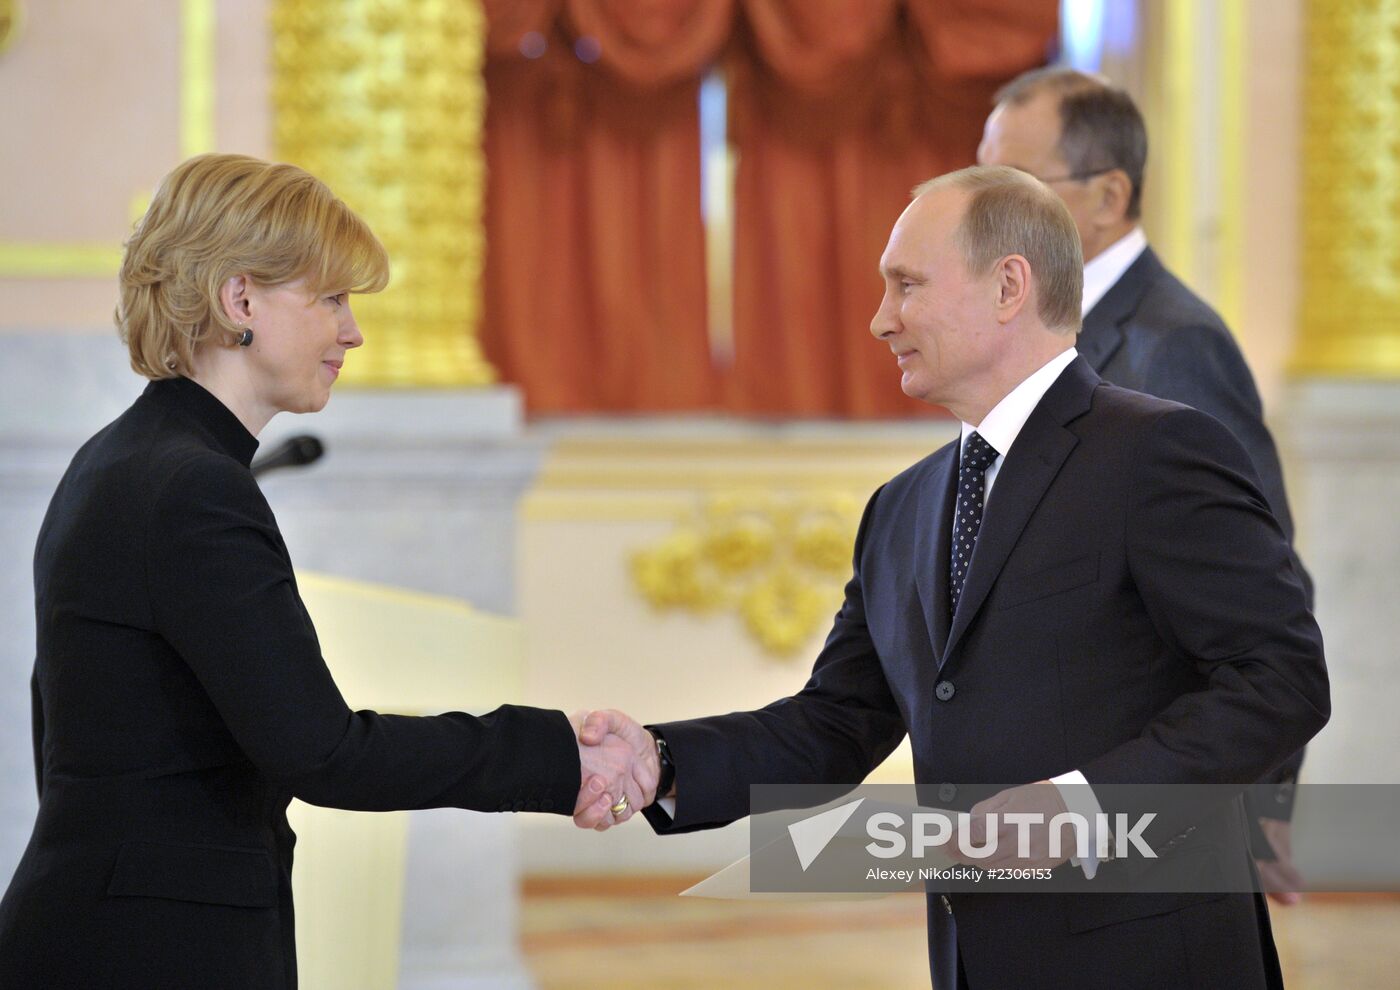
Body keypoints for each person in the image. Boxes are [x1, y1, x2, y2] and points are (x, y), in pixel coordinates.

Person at [573, 166, 1329, 989]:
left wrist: (1079, 805)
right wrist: (663, 761)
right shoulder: (901, 509)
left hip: (1153, 957)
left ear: (1009, 286)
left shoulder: (1159, 452)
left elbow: (1282, 680)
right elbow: (836, 723)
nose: (879, 320)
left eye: (906, 286)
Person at [0, 153, 652, 990]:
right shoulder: (193, 487)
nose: (353, 333)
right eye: (333, 299)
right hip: (150, 945)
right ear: (241, 301)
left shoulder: (122, 458)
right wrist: (556, 753)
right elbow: (323, 753)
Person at [975, 68, 1312, 895]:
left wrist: (1260, 801)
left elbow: (1262, 591)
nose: (984, 209)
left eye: (1011, 183)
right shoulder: (1035, 328)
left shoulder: (1174, 345)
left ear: (1107, 194)